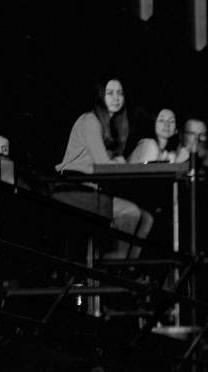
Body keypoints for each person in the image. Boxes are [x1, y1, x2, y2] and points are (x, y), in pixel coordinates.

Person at [56, 79, 154, 256]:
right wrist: (121, 162)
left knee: (146, 218)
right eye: (110, 93)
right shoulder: (90, 121)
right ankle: (113, 267)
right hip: (73, 189)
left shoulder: (111, 126)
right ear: (101, 96)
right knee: (130, 212)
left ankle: (127, 268)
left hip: (93, 190)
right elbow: (102, 165)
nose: (116, 98)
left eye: (120, 93)